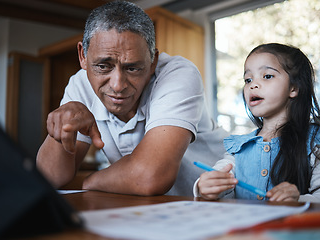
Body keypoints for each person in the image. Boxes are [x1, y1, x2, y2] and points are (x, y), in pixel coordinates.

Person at [36, 0, 229, 196]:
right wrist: (59, 133)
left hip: (220, 202)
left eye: (133, 68)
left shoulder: (178, 74)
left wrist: (87, 182)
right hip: (156, 211)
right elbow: (48, 178)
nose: (117, 85)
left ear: (152, 61)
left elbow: (149, 177)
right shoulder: (80, 84)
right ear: (83, 56)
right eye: (103, 66)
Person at [193, 43, 320, 203]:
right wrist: (203, 187)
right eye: (248, 79)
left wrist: (298, 199)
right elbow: (219, 176)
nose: (253, 85)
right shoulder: (238, 147)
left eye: (267, 76)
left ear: (293, 88)